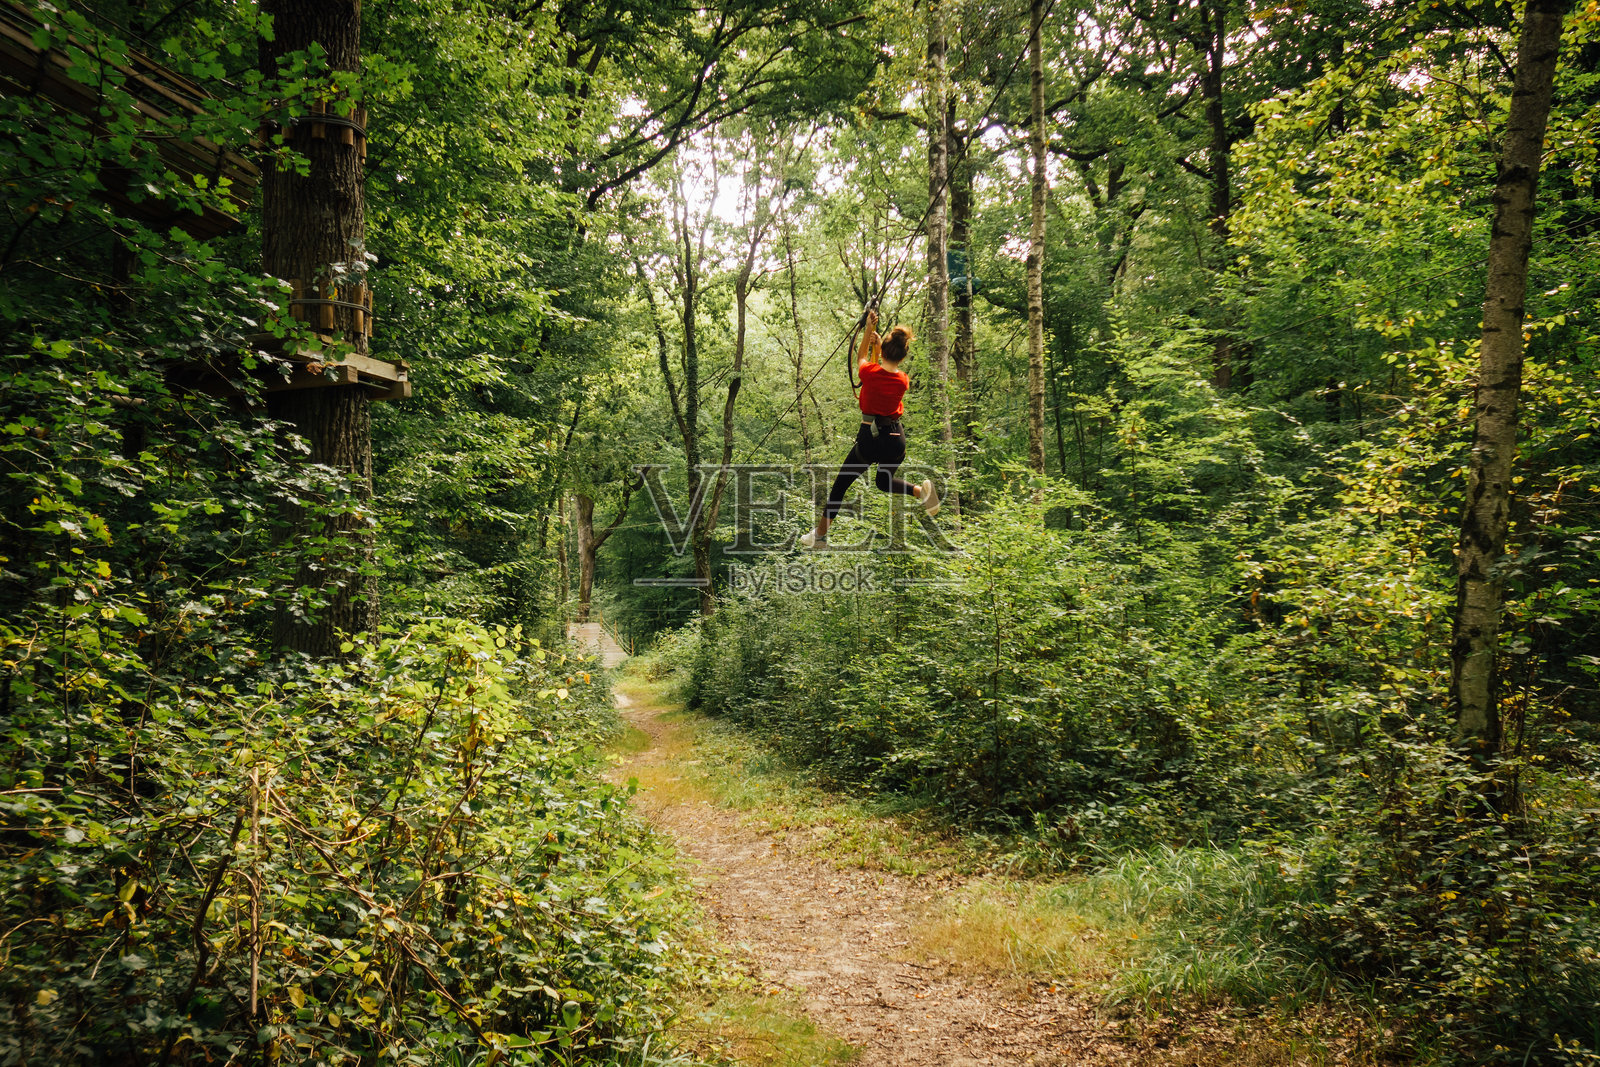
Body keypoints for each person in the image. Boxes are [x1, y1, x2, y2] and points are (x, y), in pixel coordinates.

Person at [800, 309, 940, 550]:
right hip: (895, 440)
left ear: (884, 351)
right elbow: (881, 370)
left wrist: (867, 331)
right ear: (902, 357)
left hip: (871, 439)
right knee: (883, 482)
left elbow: (861, 357)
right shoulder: (903, 380)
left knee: (840, 487)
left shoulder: (869, 373)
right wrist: (879, 345)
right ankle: (921, 492)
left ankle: (820, 536)